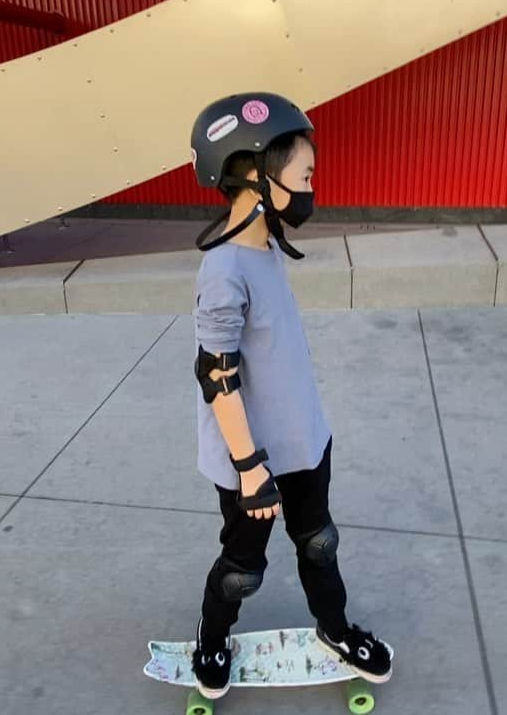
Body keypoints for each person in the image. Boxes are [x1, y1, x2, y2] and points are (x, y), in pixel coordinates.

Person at [189, 92, 393, 699]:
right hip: (252, 460)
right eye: (304, 177)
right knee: (243, 569)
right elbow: (216, 374)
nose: (310, 189)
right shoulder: (223, 271)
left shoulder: (266, 244)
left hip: (305, 440)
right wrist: (250, 469)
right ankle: (211, 635)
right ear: (254, 175)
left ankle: (334, 630)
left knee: (319, 545)